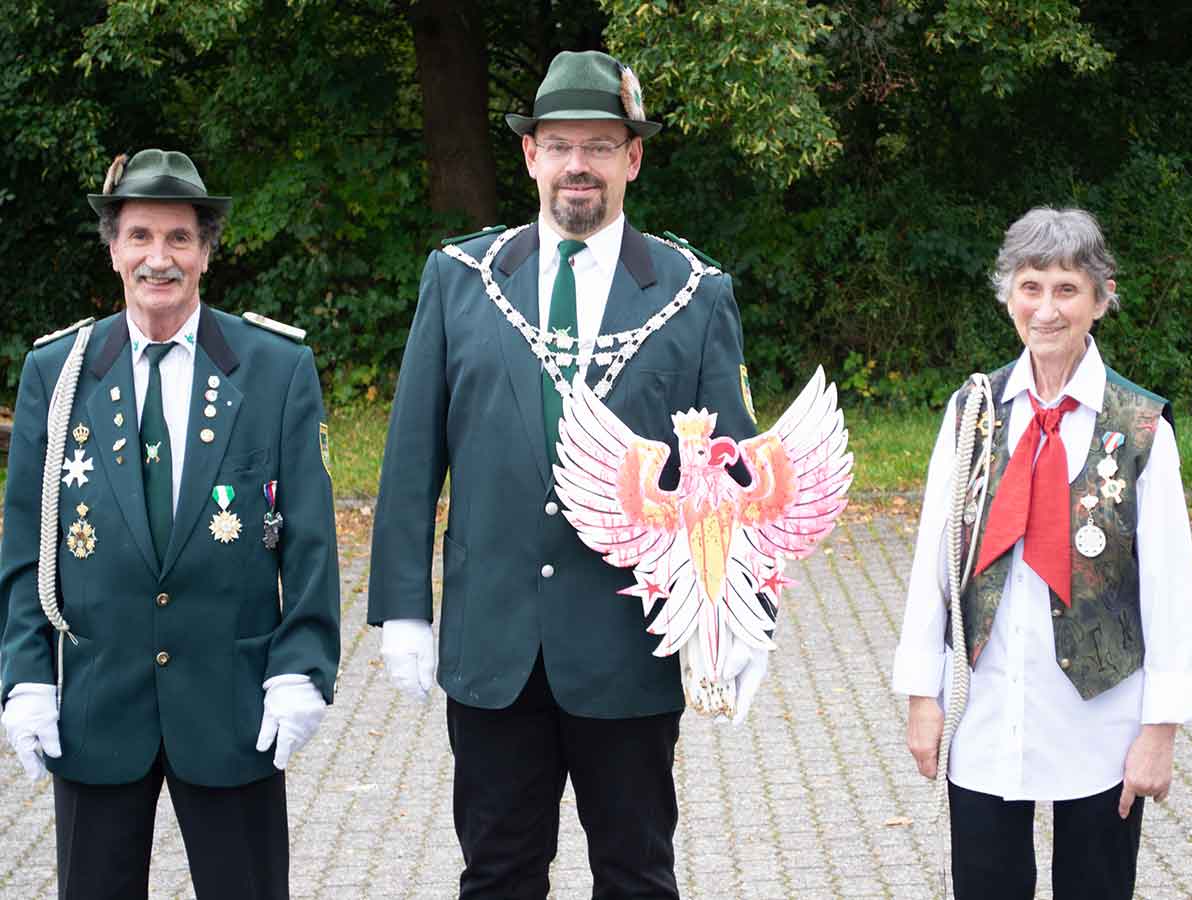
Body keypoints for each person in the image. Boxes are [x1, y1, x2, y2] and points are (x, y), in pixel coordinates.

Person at [368, 50, 765, 898]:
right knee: (499, 873)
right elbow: (410, 459)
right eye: (559, 145)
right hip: (493, 644)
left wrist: (740, 618)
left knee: (636, 874)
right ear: (529, 156)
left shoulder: (693, 295)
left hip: (629, 649)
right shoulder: (462, 280)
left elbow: (729, 476)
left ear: (633, 157)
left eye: (597, 144)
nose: (576, 164)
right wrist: (402, 608)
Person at [0, 148, 341, 899]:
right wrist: (25, 676)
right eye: (142, 236)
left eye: (180, 238)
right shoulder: (58, 374)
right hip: (97, 704)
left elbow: (311, 538)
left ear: (207, 253)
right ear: (114, 248)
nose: (160, 258)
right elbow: (27, 542)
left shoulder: (274, 368)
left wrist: (303, 665)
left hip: (233, 704)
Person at [893, 207, 1192, 899]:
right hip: (988, 706)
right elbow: (934, 563)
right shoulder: (973, 410)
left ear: (1100, 297)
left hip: (1101, 715)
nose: (1047, 308)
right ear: (1009, 295)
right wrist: (922, 694)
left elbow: (1171, 589)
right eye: (1031, 286)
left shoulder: (1141, 425)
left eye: (1067, 288)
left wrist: (1161, 731)